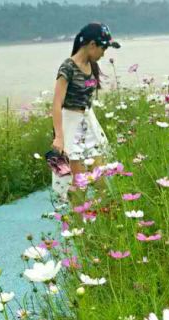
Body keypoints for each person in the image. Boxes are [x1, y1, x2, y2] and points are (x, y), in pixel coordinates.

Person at [51, 23, 120, 203]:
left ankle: (104, 215)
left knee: (100, 178)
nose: (104, 53)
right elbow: (57, 104)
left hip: (88, 123)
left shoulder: (92, 65)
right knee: (79, 184)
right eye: (103, 48)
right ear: (92, 45)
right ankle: (78, 218)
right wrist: (59, 137)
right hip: (71, 125)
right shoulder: (68, 68)